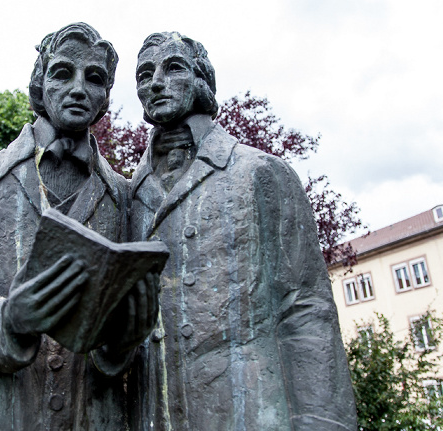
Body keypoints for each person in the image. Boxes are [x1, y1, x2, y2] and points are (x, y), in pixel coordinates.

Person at [0, 23, 156, 430]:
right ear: (39, 82)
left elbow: (117, 344)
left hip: (90, 415)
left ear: (105, 97)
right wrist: (7, 320)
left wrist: (123, 341)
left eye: (94, 78)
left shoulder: (122, 195)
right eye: (63, 73)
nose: (79, 88)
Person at [127, 32, 358, 430]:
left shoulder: (260, 172)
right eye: (145, 74)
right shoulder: (129, 193)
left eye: (173, 67)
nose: (156, 82)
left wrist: (323, 422)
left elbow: (305, 309)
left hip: (248, 409)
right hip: (155, 415)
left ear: (203, 81)